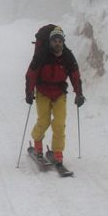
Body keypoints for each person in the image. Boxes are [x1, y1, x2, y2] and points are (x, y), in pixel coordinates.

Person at [24, 26, 85, 165]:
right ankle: (37, 143)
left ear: (63, 42)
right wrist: (29, 93)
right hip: (43, 92)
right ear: (50, 42)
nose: (57, 43)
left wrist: (79, 94)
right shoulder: (41, 55)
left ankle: (58, 153)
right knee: (43, 121)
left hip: (59, 93)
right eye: (54, 41)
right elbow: (31, 75)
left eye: (60, 41)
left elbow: (75, 76)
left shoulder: (67, 56)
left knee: (59, 123)